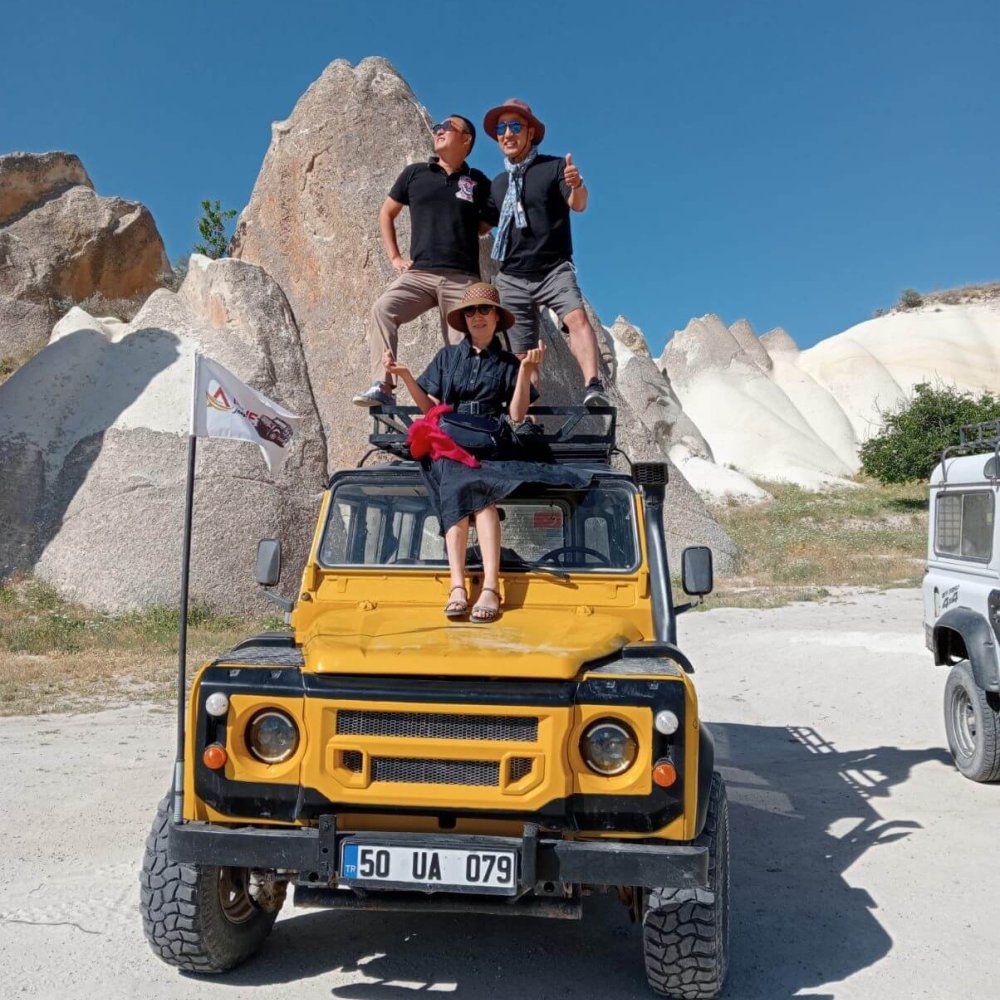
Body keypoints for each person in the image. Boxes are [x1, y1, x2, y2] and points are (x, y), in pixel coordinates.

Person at [385, 282, 592, 622]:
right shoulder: (447, 358)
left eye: (484, 310)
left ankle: (484, 588)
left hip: (489, 447)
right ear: (463, 319)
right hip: (449, 446)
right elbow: (428, 407)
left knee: (479, 499)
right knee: (463, 491)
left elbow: (516, 414)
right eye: (470, 311)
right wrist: (406, 376)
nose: (477, 317)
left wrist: (525, 372)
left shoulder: (510, 363)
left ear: (497, 317)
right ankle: (465, 587)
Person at [352, 115, 493, 407]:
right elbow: (386, 213)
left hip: (462, 277)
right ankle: (383, 385)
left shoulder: (478, 182)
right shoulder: (415, 174)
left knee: (460, 345)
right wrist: (395, 257)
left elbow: (484, 226)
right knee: (383, 309)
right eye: (437, 128)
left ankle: (463, 406)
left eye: (447, 127)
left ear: (466, 139)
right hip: (420, 273)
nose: (439, 131)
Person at [482, 98, 610, 408]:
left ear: (530, 133)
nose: (507, 134)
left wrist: (577, 184)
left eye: (515, 126)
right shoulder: (498, 185)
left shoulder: (553, 168)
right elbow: (482, 225)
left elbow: (578, 204)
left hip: (553, 268)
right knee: (523, 358)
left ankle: (593, 386)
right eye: (501, 128)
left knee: (577, 316)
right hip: (512, 276)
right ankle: (530, 423)